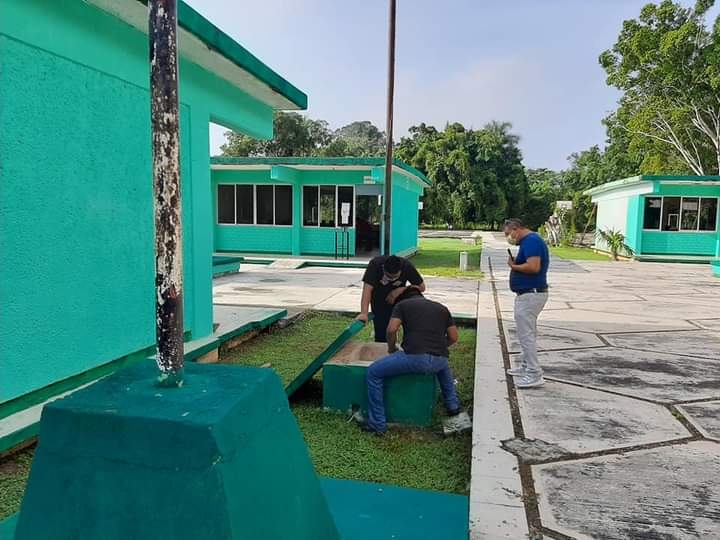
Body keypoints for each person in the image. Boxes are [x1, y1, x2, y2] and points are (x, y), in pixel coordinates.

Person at [362, 288, 462, 434]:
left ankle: (377, 424)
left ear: (402, 298)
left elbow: (391, 329)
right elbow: (453, 337)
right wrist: (437, 348)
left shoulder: (402, 305)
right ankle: (453, 406)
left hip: (415, 358)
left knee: (373, 372)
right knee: (444, 370)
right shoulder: (442, 308)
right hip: (440, 360)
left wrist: (391, 348)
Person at [504, 218, 550, 388]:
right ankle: (525, 366)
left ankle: (534, 373)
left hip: (531, 295)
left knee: (526, 336)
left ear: (516, 229)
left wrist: (513, 266)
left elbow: (533, 267)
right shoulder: (529, 242)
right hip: (528, 294)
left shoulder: (531, 241)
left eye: (508, 234)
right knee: (527, 334)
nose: (509, 238)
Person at [356, 254, 425, 342]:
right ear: (383, 268)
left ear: (400, 270)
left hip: (400, 299)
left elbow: (422, 287)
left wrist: (399, 290)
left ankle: (412, 338)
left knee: (413, 293)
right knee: (382, 332)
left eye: (395, 277)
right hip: (379, 298)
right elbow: (367, 290)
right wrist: (364, 313)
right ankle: (383, 344)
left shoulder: (406, 266)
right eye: (388, 276)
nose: (391, 279)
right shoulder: (375, 264)